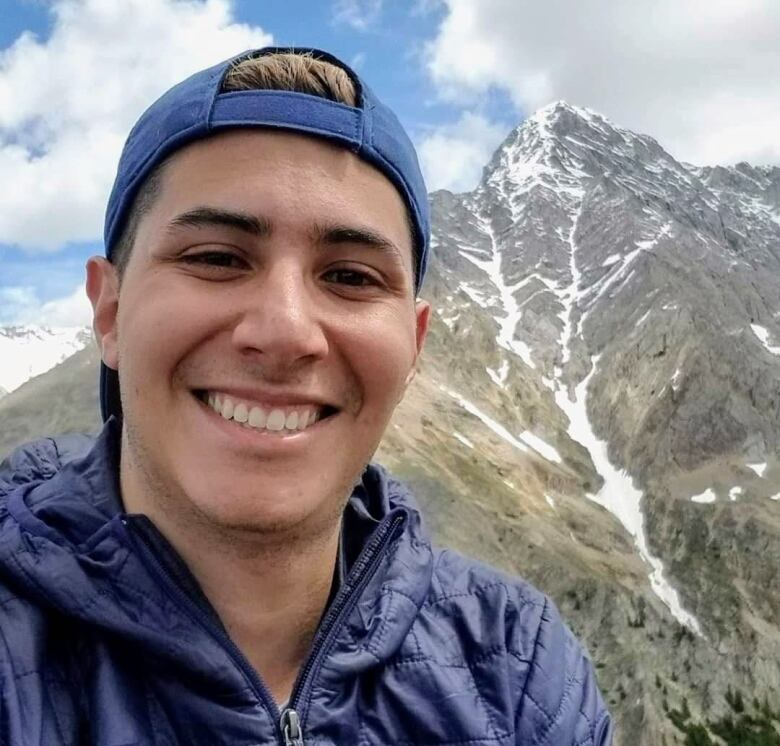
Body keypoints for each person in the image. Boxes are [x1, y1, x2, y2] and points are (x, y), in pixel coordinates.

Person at [0, 47, 612, 745]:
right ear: (108, 312)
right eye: (216, 259)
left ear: (414, 344)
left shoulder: (519, 666)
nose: (286, 332)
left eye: (350, 277)